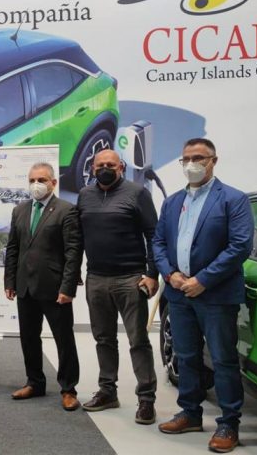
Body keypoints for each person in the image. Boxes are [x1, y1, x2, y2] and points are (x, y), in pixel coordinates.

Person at [153, 139, 253, 453]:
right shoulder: (173, 202)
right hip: (179, 293)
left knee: (222, 360)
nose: (191, 164)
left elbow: (240, 246)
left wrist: (203, 280)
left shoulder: (233, 199)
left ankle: (229, 423)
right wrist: (170, 274)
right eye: (186, 159)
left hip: (216, 295)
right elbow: (158, 242)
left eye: (198, 158)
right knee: (186, 356)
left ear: (213, 161)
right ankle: (190, 413)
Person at [77, 149, 159, 424]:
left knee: (138, 340)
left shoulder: (137, 193)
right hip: (96, 278)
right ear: (93, 167)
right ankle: (107, 391)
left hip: (130, 278)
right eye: (100, 164)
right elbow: (78, 236)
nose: (105, 168)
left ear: (121, 167)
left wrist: (152, 274)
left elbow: (153, 235)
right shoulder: (85, 195)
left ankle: (146, 399)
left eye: (111, 164)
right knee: (103, 339)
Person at [4, 162, 83, 411]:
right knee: (28, 338)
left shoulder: (66, 210)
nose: (36, 184)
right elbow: (13, 248)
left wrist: (68, 288)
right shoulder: (19, 210)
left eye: (41, 180)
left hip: (55, 288)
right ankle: (35, 382)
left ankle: (68, 389)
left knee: (64, 339)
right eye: (32, 180)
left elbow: (73, 252)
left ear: (53, 183)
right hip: (25, 287)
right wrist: (10, 281)